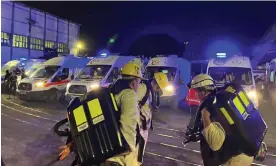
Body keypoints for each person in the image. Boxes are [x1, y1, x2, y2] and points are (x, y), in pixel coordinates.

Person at [59, 62, 143, 166]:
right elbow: (128, 123)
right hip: (119, 158)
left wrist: (72, 145)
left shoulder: (110, 90)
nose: (139, 85)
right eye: (139, 82)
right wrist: (128, 149)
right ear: (134, 82)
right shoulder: (129, 94)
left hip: (104, 155)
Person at [188, 74, 254, 166]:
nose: (196, 95)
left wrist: (205, 116)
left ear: (203, 91)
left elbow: (215, 144)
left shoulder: (211, 107)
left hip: (234, 160)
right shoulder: (220, 99)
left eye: (197, 92)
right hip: (244, 153)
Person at [136, 72, 169, 165]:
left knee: (141, 147)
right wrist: (139, 116)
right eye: (158, 87)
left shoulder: (151, 90)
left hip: (144, 124)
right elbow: (133, 104)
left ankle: (138, 162)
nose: (158, 90)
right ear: (154, 81)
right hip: (138, 124)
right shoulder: (143, 88)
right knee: (137, 148)